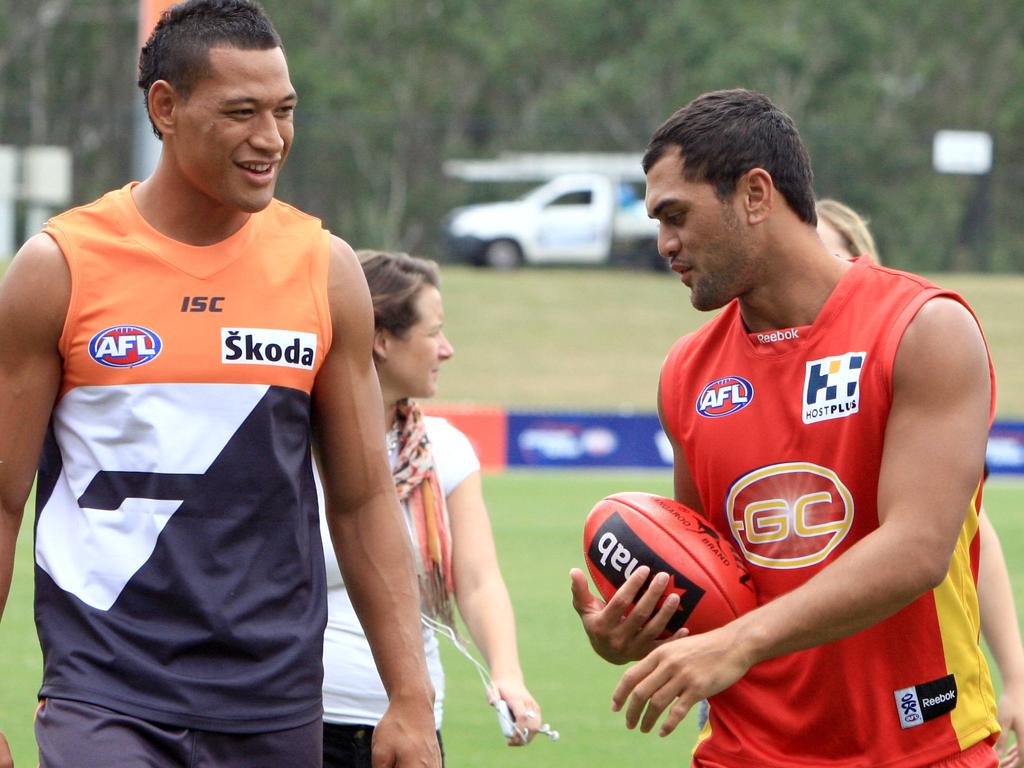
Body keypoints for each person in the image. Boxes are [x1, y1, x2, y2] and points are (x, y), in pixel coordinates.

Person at [0, 2, 439, 766]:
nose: (270, 139)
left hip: (273, 700)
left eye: (284, 111)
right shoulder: (58, 268)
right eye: (241, 112)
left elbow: (364, 498)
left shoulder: (324, 268)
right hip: (105, 691)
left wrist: (409, 696)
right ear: (165, 108)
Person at [570, 89, 999, 766]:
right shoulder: (686, 372)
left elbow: (918, 548)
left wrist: (737, 644)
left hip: (921, 748)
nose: (664, 244)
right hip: (744, 753)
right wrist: (640, 628)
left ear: (756, 194)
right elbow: (709, 578)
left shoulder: (923, 329)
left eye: (676, 216)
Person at [816, 200, 1024, 768]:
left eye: (830, 250)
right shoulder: (723, 381)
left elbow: (970, 533)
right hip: (778, 712)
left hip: (913, 706)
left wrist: (1017, 680)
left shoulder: (906, 363)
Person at [319, 250, 541, 767]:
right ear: (381, 340)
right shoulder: (294, 445)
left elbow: (479, 581)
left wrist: (507, 674)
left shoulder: (445, 450)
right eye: (433, 332)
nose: (447, 349)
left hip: (414, 727)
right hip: (307, 723)